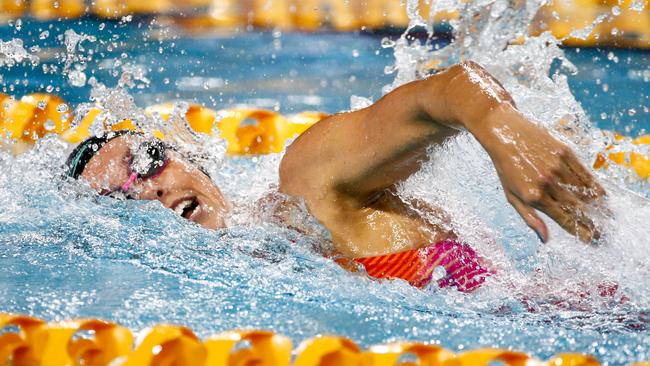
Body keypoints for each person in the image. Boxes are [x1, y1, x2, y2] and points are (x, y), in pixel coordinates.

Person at [65, 61, 605, 292]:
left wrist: (504, 130)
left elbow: (450, 89)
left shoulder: (306, 184)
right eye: (122, 200)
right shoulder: (252, 273)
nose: (150, 190)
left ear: (189, 157)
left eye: (145, 164)